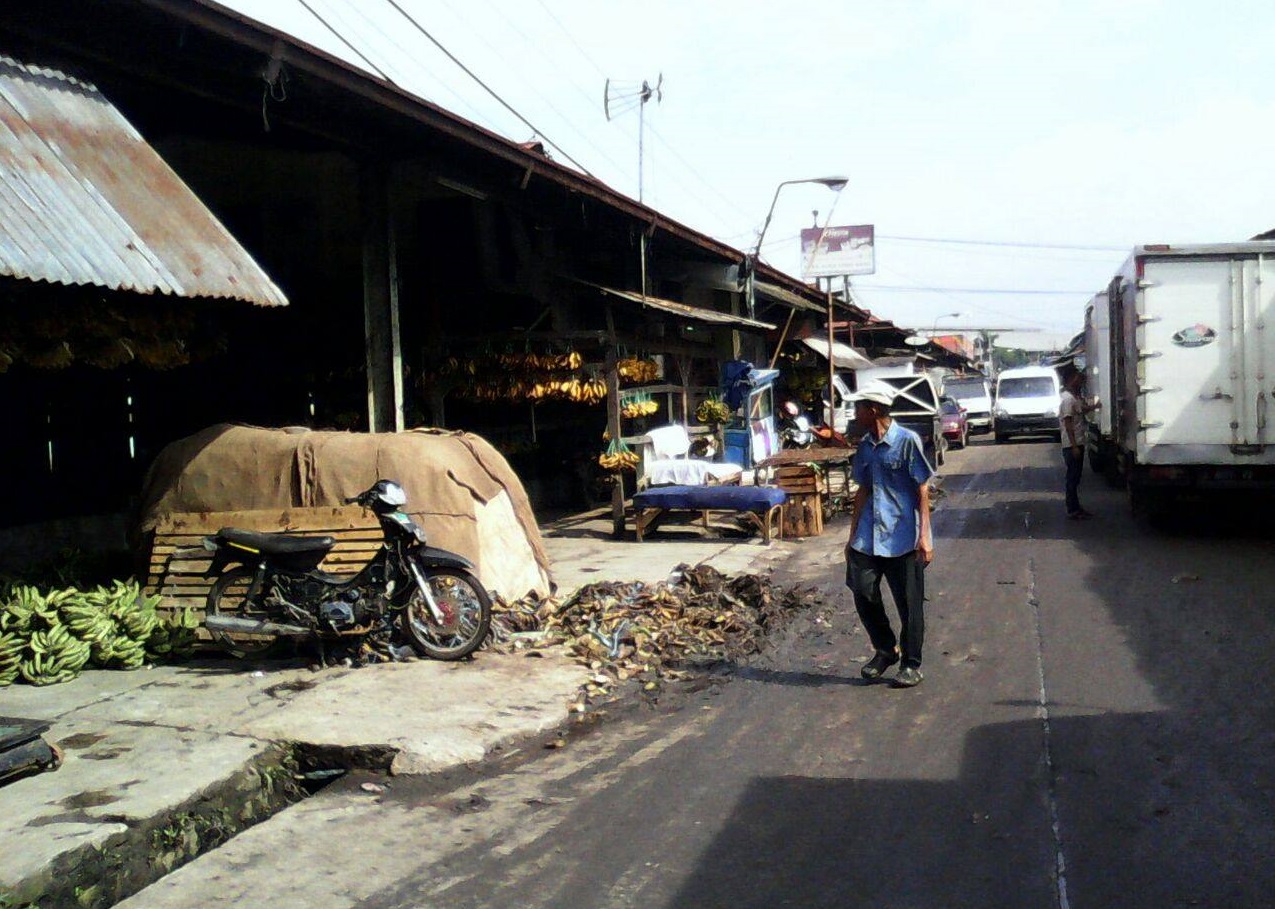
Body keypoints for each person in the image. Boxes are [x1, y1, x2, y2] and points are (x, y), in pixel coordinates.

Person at [843, 381, 935, 688]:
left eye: (858, 408)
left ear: (873, 410)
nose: (854, 414)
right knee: (862, 589)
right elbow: (863, 490)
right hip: (868, 536)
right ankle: (885, 649)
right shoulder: (865, 446)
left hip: (902, 537)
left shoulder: (907, 441)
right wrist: (851, 535)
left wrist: (925, 537)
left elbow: (922, 489)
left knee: (909, 604)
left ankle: (911, 663)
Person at [1059, 369, 1098, 519]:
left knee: (1075, 478)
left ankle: (1076, 507)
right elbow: (1068, 423)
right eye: (1079, 379)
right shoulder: (1068, 399)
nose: (1081, 382)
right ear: (1072, 379)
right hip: (1071, 445)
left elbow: (1081, 410)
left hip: (1076, 443)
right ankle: (1073, 509)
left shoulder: (1072, 398)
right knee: (1072, 478)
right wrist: (1074, 446)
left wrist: (1095, 407)